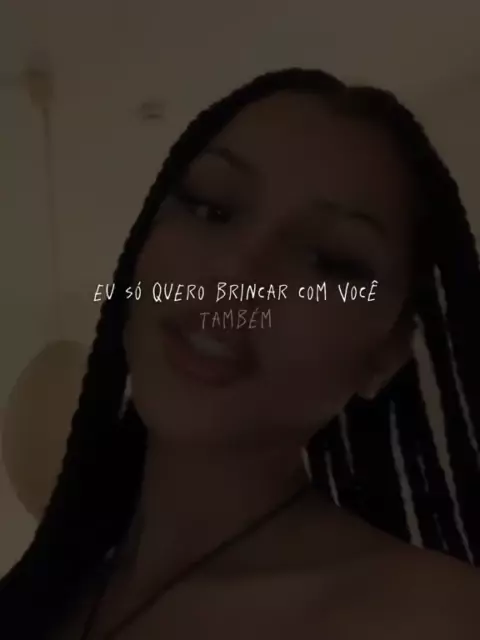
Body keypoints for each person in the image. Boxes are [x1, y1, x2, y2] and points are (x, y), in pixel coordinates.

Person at [1, 67, 480, 639]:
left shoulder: (436, 619)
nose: (235, 274)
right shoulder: (52, 591)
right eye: (210, 208)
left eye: (329, 261)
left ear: (385, 354)